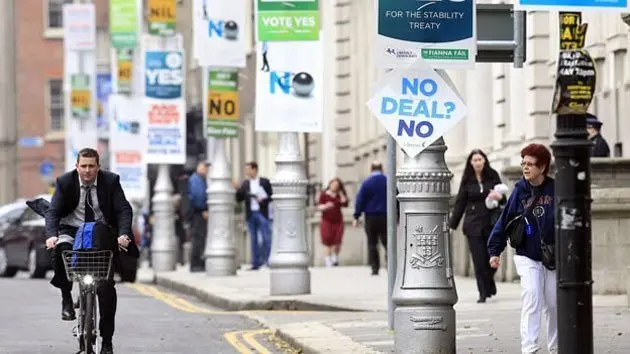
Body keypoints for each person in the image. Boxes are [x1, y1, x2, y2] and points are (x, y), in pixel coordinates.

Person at [45, 148, 134, 354]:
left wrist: (124, 234)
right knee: (60, 248)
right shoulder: (65, 182)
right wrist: (51, 235)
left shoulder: (111, 181)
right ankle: (66, 297)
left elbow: (123, 209)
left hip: (100, 233)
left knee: (105, 289)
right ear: (77, 167)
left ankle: (107, 342)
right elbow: (53, 211)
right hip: (71, 231)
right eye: (83, 166)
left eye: (91, 166)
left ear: (98, 167)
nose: (87, 171)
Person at [487, 143, 557, 354]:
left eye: (530, 164)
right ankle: (530, 349)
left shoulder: (556, 189)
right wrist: (494, 250)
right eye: (523, 163)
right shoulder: (519, 190)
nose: (525, 168)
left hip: (553, 257)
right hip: (527, 255)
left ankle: (556, 347)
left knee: (554, 305)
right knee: (532, 297)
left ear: (543, 167)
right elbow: (504, 219)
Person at [449, 149, 505, 303]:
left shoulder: (493, 175)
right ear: (471, 162)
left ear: (484, 161)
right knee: (479, 262)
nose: (478, 162)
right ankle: (483, 293)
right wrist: (452, 225)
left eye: (480, 159)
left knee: (492, 260)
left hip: (491, 223)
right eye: (475, 160)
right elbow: (460, 202)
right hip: (473, 225)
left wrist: (499, 197)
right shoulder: (467, 179)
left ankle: (489, 282)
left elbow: (503, 197)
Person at [235, 162, 273, 270]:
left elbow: (271, 196)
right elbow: (239, 199)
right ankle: (255, 263)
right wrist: (238, 189)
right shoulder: (245, 184)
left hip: (262, 213)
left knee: (266, 238)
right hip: (251, 214)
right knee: (254, 239)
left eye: (248, 169)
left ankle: (268, 260)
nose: (247, 172)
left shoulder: (264, 182)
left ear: (254, 169)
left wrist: (263, 200)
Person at [352, 161, 387, 276]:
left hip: (371, 216)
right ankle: (390, 264)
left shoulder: (367, 183)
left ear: (371, 169)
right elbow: (395, 196)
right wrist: (397, 213)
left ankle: (375, 268)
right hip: (386, 215)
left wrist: (356, 216)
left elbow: (360, 199)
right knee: (387, 242)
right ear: (381, 169)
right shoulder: (387, 181)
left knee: (372, 243)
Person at [317, 178, 349, 266]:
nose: (335, 187)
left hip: (338, 220)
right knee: (327, 240)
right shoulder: (324, 194)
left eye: (337, 186)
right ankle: (327, 260)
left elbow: (345, 203)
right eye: (333, 185)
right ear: (330, 184)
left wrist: (341, 194)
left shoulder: (339, 195)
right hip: (327, 220)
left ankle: (335, 256)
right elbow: (319, 206)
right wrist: (326, 206)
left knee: (337, 240)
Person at [187, 162, 209, 272]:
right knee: (198, 239)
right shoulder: (196, 179)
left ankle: (197, 263)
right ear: (199, 168)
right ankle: (196, 264)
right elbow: (198, 196)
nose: (206, 170)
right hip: (198, 213)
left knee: (199, 238)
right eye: (204, 168)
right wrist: (203, 209)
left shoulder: (198, 179)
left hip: (198, 212)